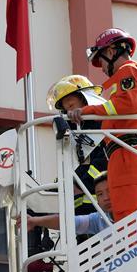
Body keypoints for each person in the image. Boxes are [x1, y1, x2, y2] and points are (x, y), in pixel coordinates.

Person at [68, 28, 137, 222]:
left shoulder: (128, 70)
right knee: (134, 216)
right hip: (129, 152)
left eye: (101, 61)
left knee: (130, 218)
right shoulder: (133, 74)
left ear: (111, 52)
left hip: (129, 153)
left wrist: (87, 111)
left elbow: (129, 103)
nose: (102, 68)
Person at [46, 75, 109, 218]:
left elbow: (103, 161)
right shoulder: (79, 132)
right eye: (65, 109)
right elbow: (79, 166)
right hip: (82, 203)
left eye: (71, 106)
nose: (68, 112)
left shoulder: (103, 125)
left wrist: (80, 185)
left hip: (98, 204)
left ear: (85, 99)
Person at [27, 173, 113, 237]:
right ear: (97, 201)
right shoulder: (99, 220)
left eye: (109, 191)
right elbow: (67, 222)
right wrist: (34, 221)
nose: (106, 198)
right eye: (100, 194)